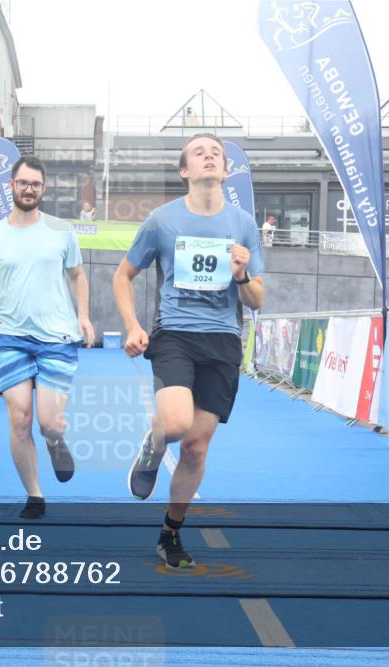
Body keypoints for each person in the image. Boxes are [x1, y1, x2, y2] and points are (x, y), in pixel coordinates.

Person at [112, 133, 265, 568]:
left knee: (197, 447)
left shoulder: (244, 225)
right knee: (176, 424)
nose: (210, 155)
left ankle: (170, 533)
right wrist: (132, 325)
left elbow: (258, 300)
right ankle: (155, 440)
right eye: (199, 152)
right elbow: (122, 276)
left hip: (222, 341)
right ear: (185, 171)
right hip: (175, 333)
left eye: (216, 152)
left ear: (226, 170)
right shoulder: (162, 220)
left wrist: (240, 275)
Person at [0, 156, 95, 519]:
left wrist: (83, 316)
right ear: (11, 185)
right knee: (20, 418)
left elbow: (77, 275)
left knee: (48, 422)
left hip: (57, 337)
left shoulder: (61, 231)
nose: (28, 189)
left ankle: (55, 441)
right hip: (9, 335)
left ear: (44, 188)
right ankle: (35, 494)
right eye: (22, 183)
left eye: (35, 184)